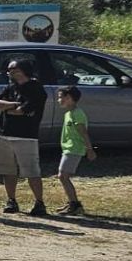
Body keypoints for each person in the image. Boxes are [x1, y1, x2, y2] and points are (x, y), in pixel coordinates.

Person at [0, 56, 47, 216]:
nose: (10, 72)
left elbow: (23, 111)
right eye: (9, 70)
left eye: (14, 69)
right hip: (4, 134)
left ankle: (39, 202)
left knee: (31, 171)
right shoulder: (10, 87)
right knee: (7, 170)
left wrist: (8, 107)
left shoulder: (35, 88)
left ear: (23, 70)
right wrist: (15, 104)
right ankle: (11, 200)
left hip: (26, 136)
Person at [56, 85, 94, 216]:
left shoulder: (77, 114)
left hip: (74, 149)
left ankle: (75, 205)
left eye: (61, 97)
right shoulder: (69, 113)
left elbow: (83, 133)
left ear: (69, 98)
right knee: (63, 176)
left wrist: (90, 149)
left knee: (63, 176)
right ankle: (72, 202)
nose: (58, 100)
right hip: (68, 148)